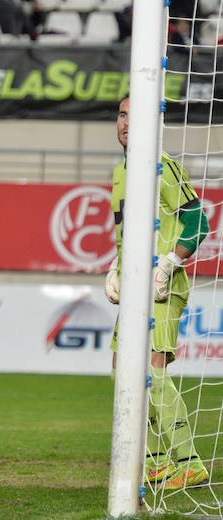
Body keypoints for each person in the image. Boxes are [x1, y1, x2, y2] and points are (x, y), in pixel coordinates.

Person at [107, 96, 210, 490]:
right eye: (121, 114)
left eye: (136, 116)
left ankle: (189, 460)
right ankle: (156, 461)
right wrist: (116, 267)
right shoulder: (121, 172)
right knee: (123, 372)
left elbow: (198, 221)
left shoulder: (162, 167)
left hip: (162, 289)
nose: (126, 123)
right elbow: (129, 234)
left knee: (150, 370)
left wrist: (169, 262)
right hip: (134, 287)